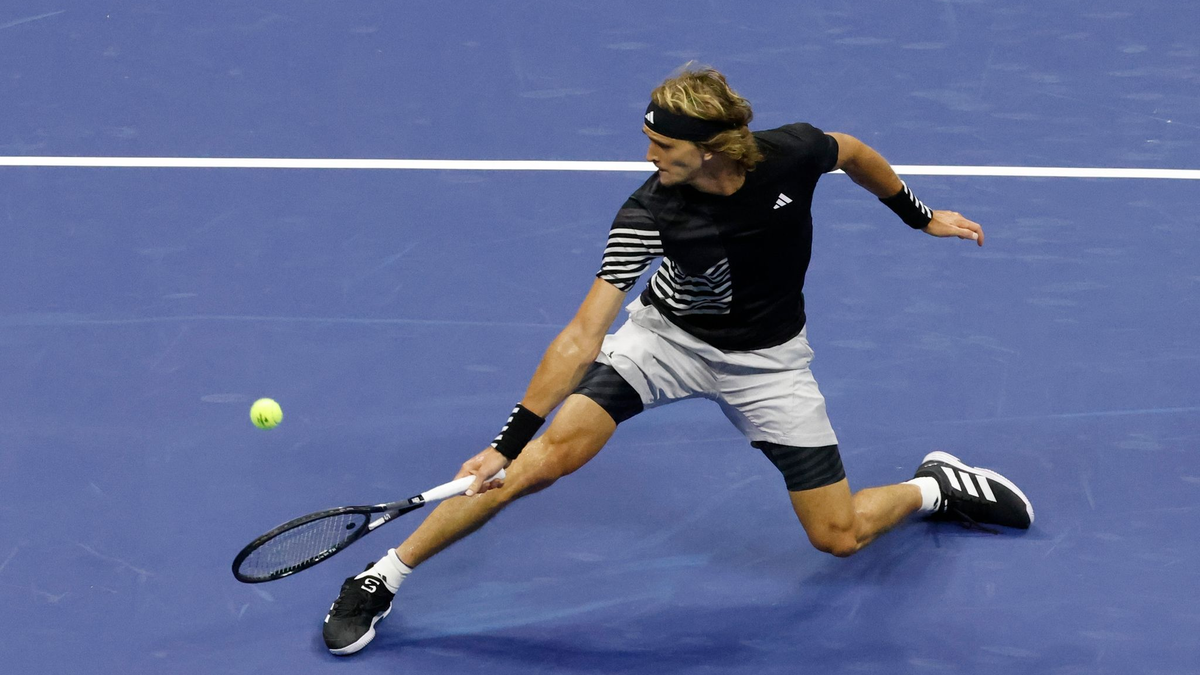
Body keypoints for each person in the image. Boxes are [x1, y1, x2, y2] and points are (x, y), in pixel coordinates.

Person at [321, 65, 1035, 655]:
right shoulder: (648, 213)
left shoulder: (791, 152)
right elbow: (581, 333)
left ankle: (937, 488)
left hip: (769, 363)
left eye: (662, 145)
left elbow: (850, 151)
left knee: (839, 535)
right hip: (664, 342)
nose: (648, 158)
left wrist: (918, 214)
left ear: (716, 146)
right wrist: (504, 441)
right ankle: (383, 573)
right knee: (536, 463)